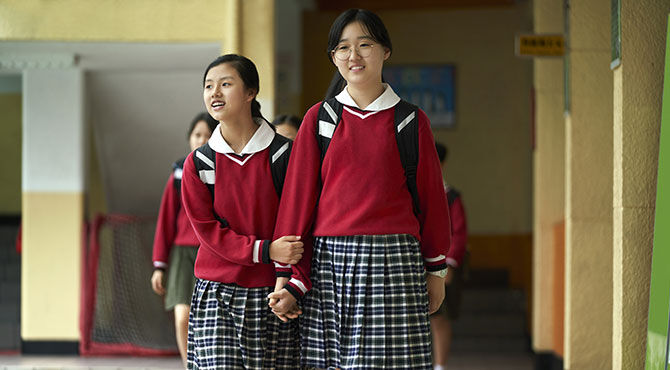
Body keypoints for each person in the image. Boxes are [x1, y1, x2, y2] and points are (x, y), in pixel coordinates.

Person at [268, 8, 451, 369]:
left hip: (395, 262)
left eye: (364, 44)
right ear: (334, 58)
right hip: (330, 265)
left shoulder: (410, 120)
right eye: (343, 48)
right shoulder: (319, 119)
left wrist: (437, 271)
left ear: (385, 51)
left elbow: (431, 200)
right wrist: (284, 276)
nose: (354, 56)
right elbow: (297, 200)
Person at [180, 54, 302, 369]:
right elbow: (208, 232)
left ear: (251, 92)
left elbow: (299, 222)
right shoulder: (199, 163)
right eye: (208, 86)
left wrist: (288, 280)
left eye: (225, 84)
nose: (214, 93)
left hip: (273, 293)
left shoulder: (284, 155)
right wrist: (265, 249)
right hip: (216, 292)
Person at [150, 111, 217, 366]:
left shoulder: (224, 168)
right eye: (197, 135)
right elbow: (166, 219)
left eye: (208, 135)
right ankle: (189, 364)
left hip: (212, 251)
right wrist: (159, 265)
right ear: (189, 138)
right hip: (182, 254)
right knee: (182, 316)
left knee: (208, 317)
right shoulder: (179, 172)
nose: (201, 140)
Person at [431, 141, 469, 370]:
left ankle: (440, 365)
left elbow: (459, 232)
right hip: (413, 263)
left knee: (438, 317)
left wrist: (449, 266)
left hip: (441, 266)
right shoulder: (408, 192)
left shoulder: (451, 196)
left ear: (442, 163)